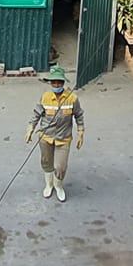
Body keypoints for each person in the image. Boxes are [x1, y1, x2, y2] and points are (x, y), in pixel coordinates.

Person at [26, 65, 84, 202]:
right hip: (46, 137)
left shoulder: (72, 98)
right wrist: (30, 128)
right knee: (46, 162)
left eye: (59, 82)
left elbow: (79, 115)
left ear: (63, 82)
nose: (56, 85)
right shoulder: (45, 97)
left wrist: (81, 131)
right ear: (50, 83)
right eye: (54, 82)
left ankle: (58, 186)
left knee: (60, 166)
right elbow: (36, 114)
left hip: (63, 138)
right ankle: (49, 184)